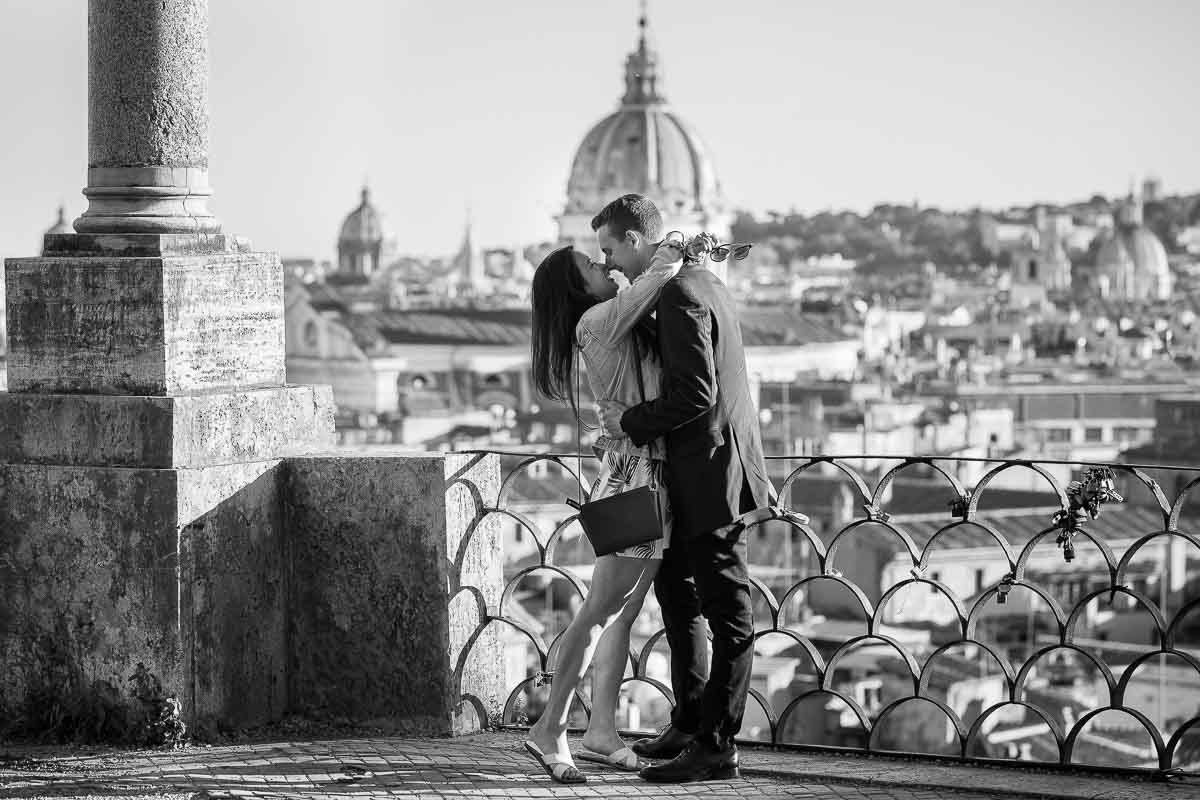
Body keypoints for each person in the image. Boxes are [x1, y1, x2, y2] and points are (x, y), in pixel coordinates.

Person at [597, 194, 773, 783]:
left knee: (727, 612)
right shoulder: (705, 283)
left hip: (710, 474)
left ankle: (717, 747)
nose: (609, 266)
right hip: (703, 469)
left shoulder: (678, 295)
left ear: (637, 241)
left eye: (611, 250)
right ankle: (690, 720)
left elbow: (694, 396)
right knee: (677, 594)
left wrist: (628, 423)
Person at [523, 200, 684, 785]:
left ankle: (596, 731)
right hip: (635, 478)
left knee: (620, 609)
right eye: (591, 264)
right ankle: (550, 729)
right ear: (576, 287)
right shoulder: (597, 322)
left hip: (644, 473)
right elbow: (653, 282)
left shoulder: (604, 321)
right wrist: (675, 249)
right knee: (599, 611)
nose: (602, 264)